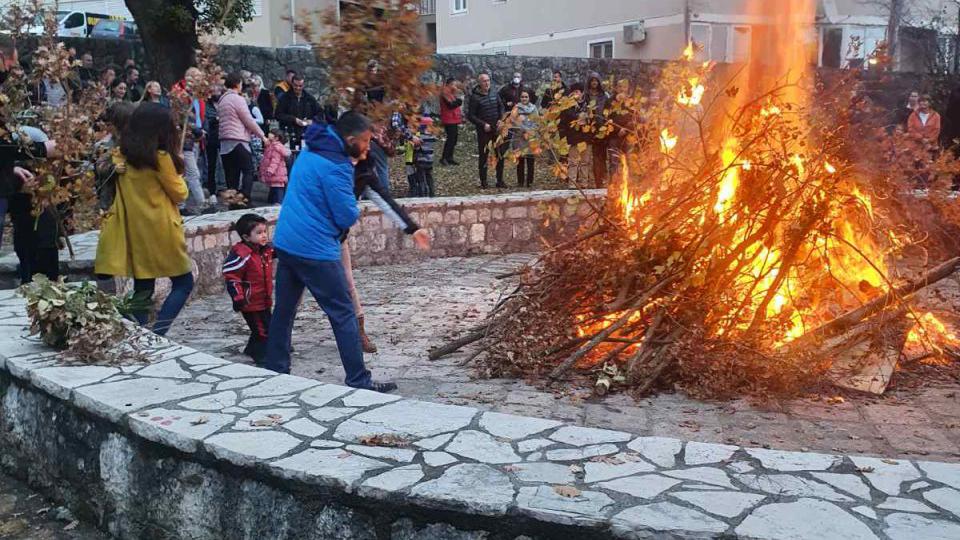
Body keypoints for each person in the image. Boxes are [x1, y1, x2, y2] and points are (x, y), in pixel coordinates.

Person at [264, 111, 395, 392]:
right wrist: (354, 198)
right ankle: (359, 379)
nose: (368, 147)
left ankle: (275, 368)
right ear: (350, 140)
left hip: (287, 242)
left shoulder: (312, 149)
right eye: (366, 141)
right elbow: (346, 215)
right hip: (315, 250)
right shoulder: (336, 165)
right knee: (343, 313)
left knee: (284, 310)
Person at [94, 103, 194, 336]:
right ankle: (158, 332)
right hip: (162, 230)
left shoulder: (122, 156)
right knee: (183, 282)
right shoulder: (160, 159)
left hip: (136, 230)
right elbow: (180, 193)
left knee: (144, 286)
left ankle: (138, 332)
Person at [223, 213, 274, 364]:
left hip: (264, 299)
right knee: (262, 330)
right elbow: (231, 276)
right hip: (250, 302)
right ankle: (261, 357)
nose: (264, 235)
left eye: (265, 231)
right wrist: (238, 297)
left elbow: (277, 252)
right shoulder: (242, 254)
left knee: (263, 326)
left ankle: (251, 349)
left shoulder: (265, 250)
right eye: (259, 233)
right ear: (246, 237)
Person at [217, 72, 267, 206]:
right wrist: (262, 135)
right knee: (248, 170)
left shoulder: (222, 100)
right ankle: (245, 199)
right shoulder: (238, 99)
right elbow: (248, 120)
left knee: (231, 175)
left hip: (224, 142)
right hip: (238, 139)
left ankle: (232, 202)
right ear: (237, 84)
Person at [466, 73, 505, 188]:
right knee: (484, 156)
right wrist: (483, 124)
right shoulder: (475, 97)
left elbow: (501, 107)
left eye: (488, 80)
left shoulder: (494, 92)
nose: (487, 83)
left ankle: (500, 180)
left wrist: (501, 119)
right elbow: (471, 116)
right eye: (484, 81)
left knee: (500, 155)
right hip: (484, 131)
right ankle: (484, 182)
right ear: (479, 83)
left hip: (497, 129)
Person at [276, 74, 320, 152]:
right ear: (292, 84)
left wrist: (312, 120)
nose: (298, 88)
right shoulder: (284, 98)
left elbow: (320, 114)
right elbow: (278, 115)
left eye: (300, 86)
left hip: (306, 134)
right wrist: (294, 119)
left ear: (303, 85)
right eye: (295, 85)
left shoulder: (310, 99)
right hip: (289, 133)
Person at [584, 72, 610, 187]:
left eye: (596, 80)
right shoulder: (585, 96)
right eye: (592, 80)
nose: (594, 83)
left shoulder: (605, 95)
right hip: (589, 129)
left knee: (602, 156)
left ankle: (602, 180)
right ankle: (592, 181)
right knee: (591, 157)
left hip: (602, 129)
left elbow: (609, 110)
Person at [510, 90, 538, 188]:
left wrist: (530, 131)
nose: (524, 99)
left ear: (529, 98)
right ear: (520, 98)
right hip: (519, 137)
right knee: (520, 161)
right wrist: (522, 129)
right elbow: (512, 122)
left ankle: (530, 182)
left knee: (530, 161)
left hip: (531, 138)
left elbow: (536, 122)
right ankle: (520, 182)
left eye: (526, 97)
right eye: (522, 97)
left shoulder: (534, 108)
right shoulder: (516, 108)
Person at [260, 129, 291, 204]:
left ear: (276, 138)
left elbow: (275, 161)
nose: (269, 134)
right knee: (274, 189)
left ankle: (278, 205)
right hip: (275, 174)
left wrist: (270, 170)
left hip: (276, 174)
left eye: (271, 133)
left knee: (277, 191)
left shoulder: (276, 147)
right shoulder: (271, 146)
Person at [439, 78, 463, 166]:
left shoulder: (451, 93)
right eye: (454, 84)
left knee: (454, 138)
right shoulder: (445, 93)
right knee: (451, 139)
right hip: (448, 119)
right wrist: (459, 101)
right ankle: (444, 158)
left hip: (453, 118)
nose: (455, 86)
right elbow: (450, 105)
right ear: (449, 84)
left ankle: (450, 157)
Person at [412, 116, 437, 196]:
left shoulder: (420, 137)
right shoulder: (432, 137)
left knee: (421, 179)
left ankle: (423, 194)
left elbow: (416, 147)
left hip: (421, 160)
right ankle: (432, 193)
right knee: (429, 177)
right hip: (430, 160)